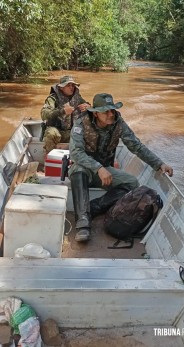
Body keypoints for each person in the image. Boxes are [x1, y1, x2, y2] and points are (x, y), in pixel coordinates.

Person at [69, 93, 173, 242]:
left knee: (132, 183)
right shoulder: (81, 123)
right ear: (96, 113)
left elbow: (136, 146)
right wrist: (98, 168)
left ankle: (94, 207)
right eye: (106, 111)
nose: (111, 114)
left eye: (112, 110)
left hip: (105, 170)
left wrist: (159, 163)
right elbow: (75, 153)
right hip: (83, 168)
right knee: (78, 170)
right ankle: (83, 222)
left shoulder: (118, 123)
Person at [41, 75, 90, 154]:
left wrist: (88, 107)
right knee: (50, 133)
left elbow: (88, 107)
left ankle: (82, 161)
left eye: (73, 85)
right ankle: (48, 159)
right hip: (57, 131)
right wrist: (62, 111)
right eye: (68, 85)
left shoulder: (77, 97)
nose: (72, 87)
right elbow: (44, 114)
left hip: (72, 131)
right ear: (61, 87)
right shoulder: (53, 99)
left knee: (89, 132)